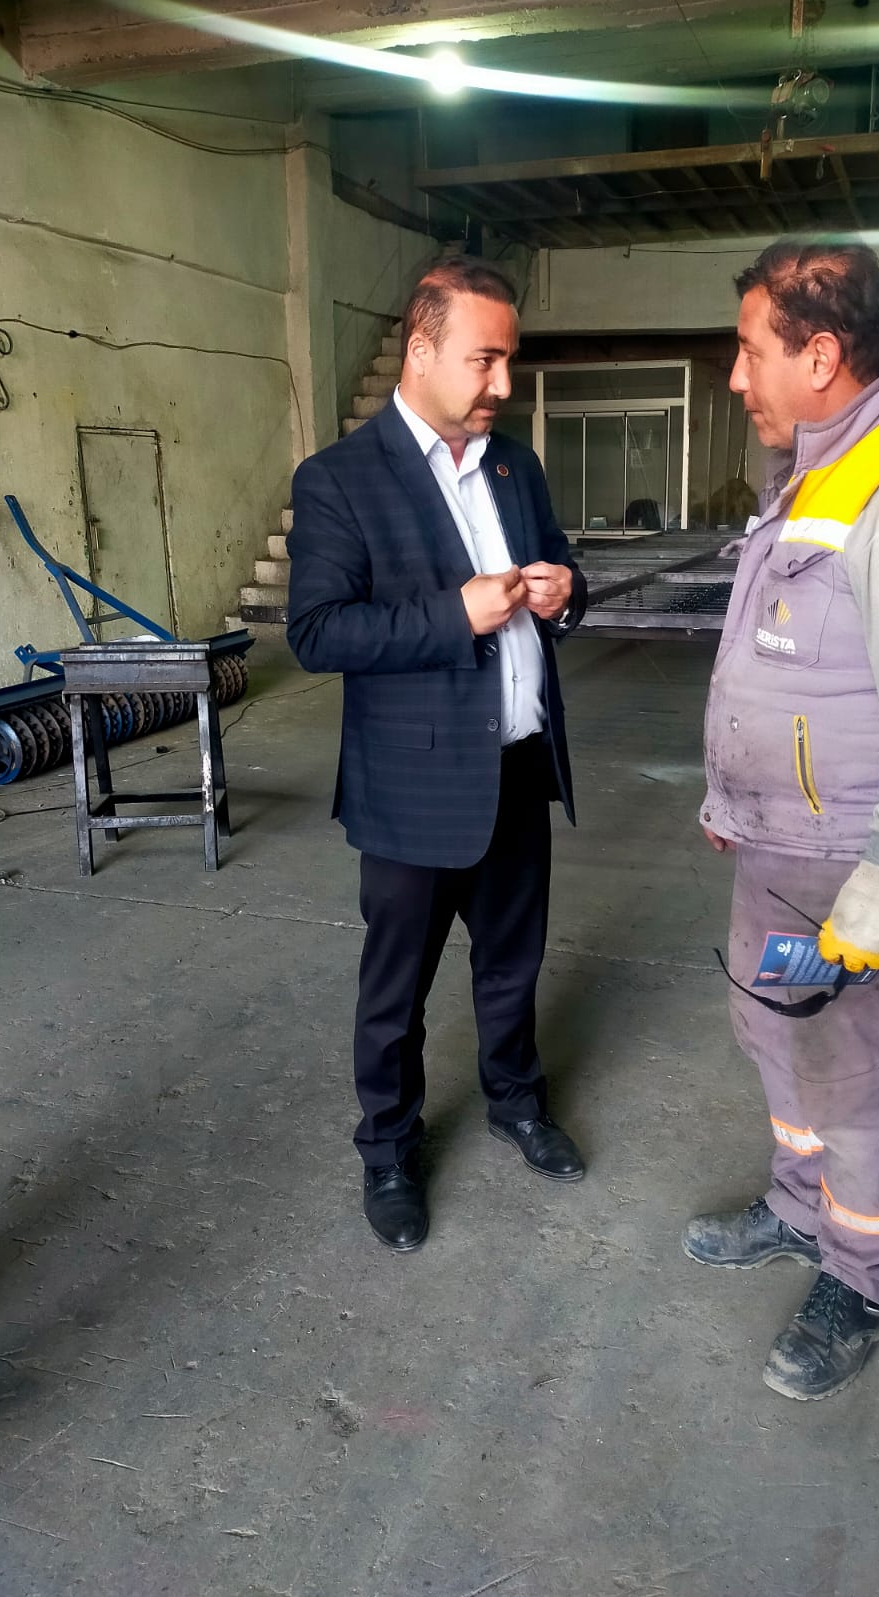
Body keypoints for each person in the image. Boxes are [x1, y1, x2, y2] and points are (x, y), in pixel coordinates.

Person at [684, 239, 879, 1400]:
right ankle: (797, 1204)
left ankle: (861, 1274)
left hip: (852, 862)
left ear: (820, 356)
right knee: (780, 1029)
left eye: (750, 351)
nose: (737, 377)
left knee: (856, 1069)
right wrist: (735, 794)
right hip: (780, 850)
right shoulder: (822, 468)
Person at [286, 257, 588, 1253]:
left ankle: (516, 1101)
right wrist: (453, 615)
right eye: (483, 360)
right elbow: (318, 631)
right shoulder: (340, 479)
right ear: (420, 352)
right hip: (413, 789)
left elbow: (563, 568)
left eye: (508, 360)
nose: (503, 382)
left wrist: (565, 593)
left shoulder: (513, 467)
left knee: (511, 965)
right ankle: (387, 1148)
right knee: (395, 994)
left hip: (517, 767)